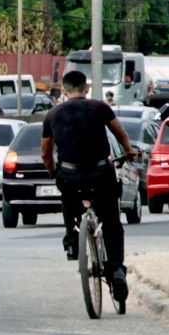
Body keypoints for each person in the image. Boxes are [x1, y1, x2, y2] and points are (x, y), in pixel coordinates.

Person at [40, 70, 136, 304]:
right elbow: (120, 133)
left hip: (70, 175)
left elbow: (45, 152)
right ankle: (116, 270)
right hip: (100, 173)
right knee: (112, 222)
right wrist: (128, 151)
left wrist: (54, 171)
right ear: (86, 89)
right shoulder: (100, 108)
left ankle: (72, 240)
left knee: (67, 197)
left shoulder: (52, 114)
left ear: (63, 90)